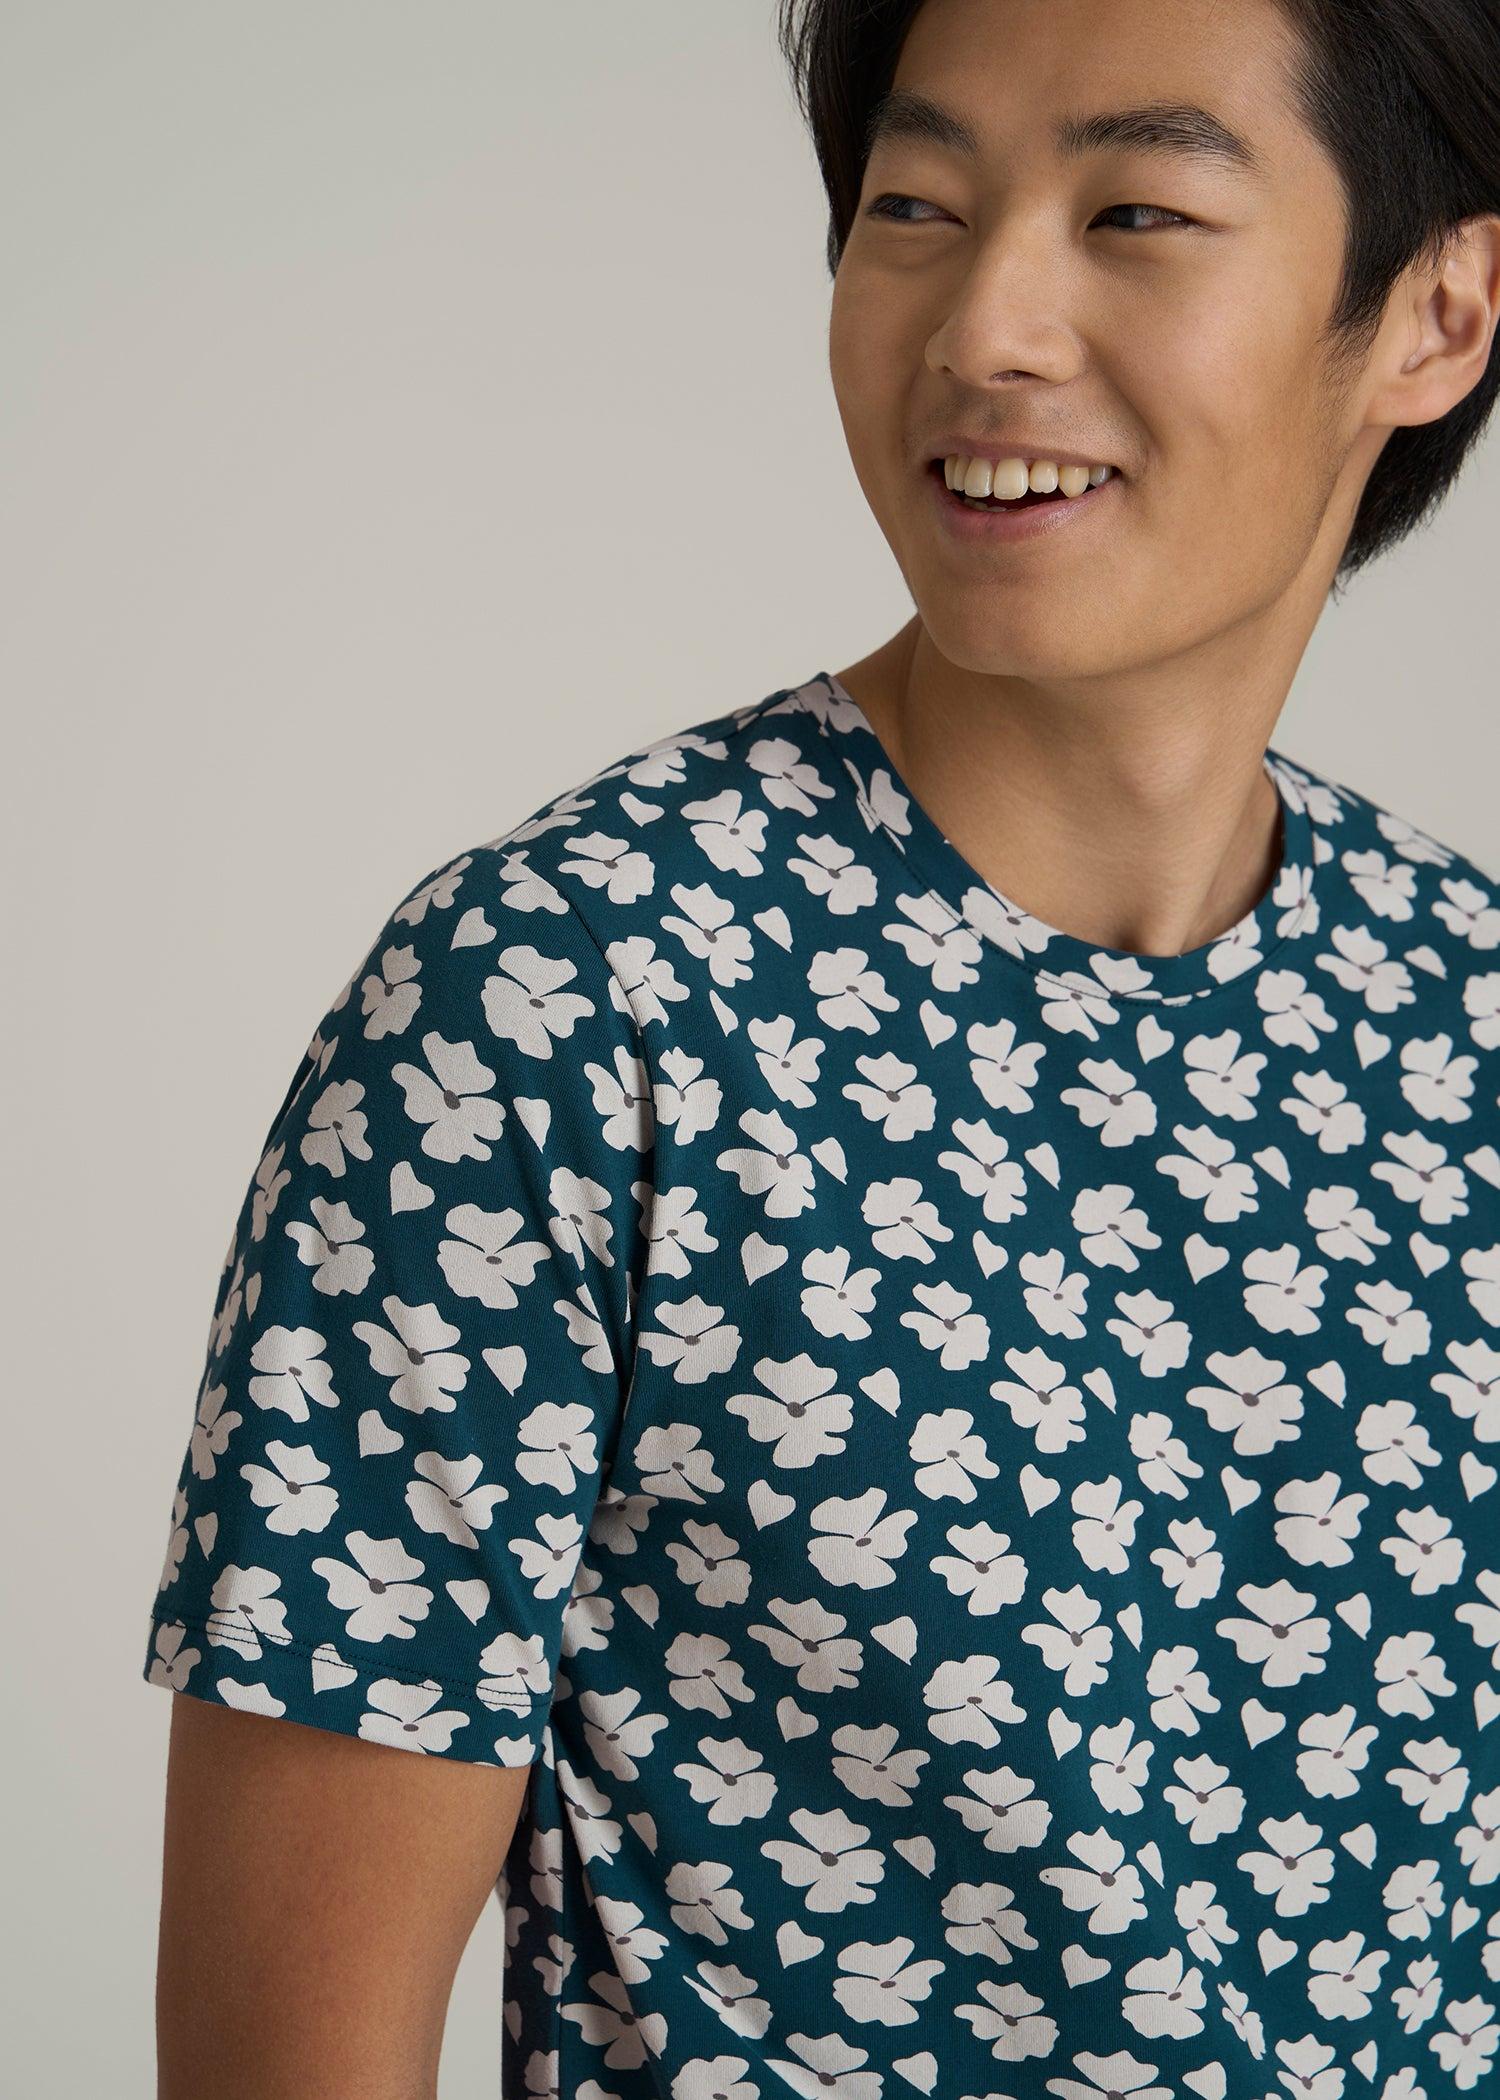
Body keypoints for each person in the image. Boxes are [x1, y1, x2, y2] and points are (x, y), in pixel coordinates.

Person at [144, 1, 1500, 2093]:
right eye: (915, 207)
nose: (985, 328)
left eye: (1135, 212)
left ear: (1435, 311)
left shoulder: (1464, 1013)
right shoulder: (559, 1004)